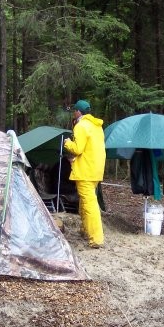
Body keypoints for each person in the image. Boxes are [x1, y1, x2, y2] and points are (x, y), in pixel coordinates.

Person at [63, 99, 106, 248]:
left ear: (78, 112)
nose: (73, 113)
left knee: (89, 204)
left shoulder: (81, 126)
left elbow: (77, 149)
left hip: (85, 171)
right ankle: (85, 230)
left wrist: (67, 142)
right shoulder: (96, 126)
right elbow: (90, 149)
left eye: (74, 111)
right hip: (95, 170)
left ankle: (96, 238)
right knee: (84, 202)